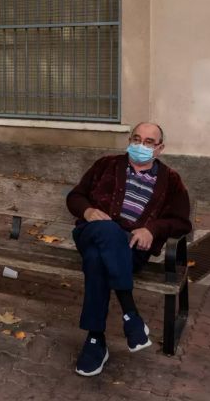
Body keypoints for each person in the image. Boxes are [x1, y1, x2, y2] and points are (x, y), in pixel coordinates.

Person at [66, 122, 192, 377]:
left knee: (96, 260)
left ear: (159, 149)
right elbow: (75, 196)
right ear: (129, 140)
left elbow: (182, 222)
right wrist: (88, 211)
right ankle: (130, 314)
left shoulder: (171, 181)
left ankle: (95, 339)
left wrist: (152, 230)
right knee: (109, 230)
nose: (140, 146)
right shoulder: (106, 165)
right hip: (92, 232)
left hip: (131, 249)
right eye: (136, 139)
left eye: (148, 142)